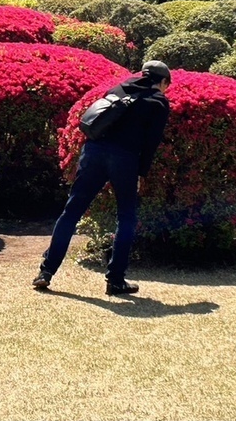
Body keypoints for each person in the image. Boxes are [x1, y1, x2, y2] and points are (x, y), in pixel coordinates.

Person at [33, 60, 172, 296]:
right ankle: (115, 280)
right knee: (126, 217)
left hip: (94, 153)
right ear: (163, 82)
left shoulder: (119, 89)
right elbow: (151, 144)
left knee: (72, 211)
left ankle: (46, 272)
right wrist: (141, 173)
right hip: (125, 160)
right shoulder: (158, 102)